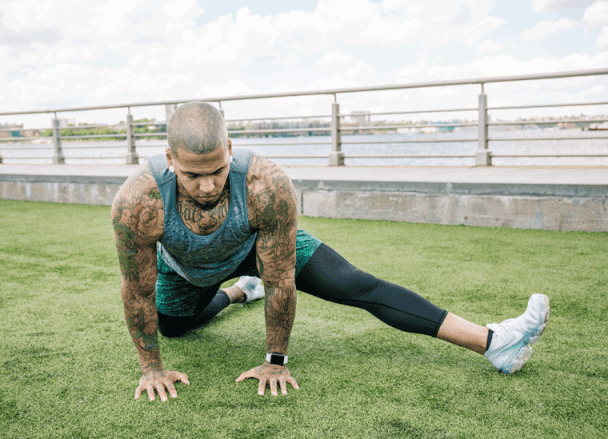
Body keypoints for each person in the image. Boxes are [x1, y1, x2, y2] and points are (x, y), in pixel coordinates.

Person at [111, 102, 550, 402]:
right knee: (175, 328)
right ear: (170, 158)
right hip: (185, 268)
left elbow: (281, 281)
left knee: (355, 284)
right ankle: (239, 292)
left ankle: (495, 342)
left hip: (256, 248)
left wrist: (275, 361)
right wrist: (151, 368)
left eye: (217, 171)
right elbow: (137, 291)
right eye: (192, 175)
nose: (207, 186)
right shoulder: (139, 201)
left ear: (229, 150)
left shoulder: (266, 184)